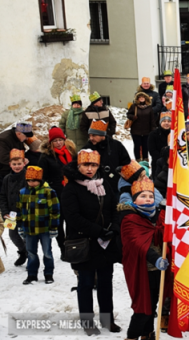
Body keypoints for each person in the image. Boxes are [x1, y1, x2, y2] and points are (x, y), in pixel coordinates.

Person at [63, 149, 121, 335]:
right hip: (84, 242)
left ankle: (107, 319)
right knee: (86, 283)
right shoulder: (71, 188)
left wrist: (114, 227)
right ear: (78, 165)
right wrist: (98, 231)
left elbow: (115, 207)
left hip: (105, 243)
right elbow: (72, 217)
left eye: (93, 165)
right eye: (85, 165)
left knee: (105, 282)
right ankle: (87, 322)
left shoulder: (105, 184)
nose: (89, 169)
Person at [119, 177, 167, 340]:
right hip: (142, 270)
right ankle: (132, 337)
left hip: (158, 270)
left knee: (152, 305)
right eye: (143, 196)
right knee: (142, 308)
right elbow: (136, 243)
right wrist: (156, 259)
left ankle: (148, 334)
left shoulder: (158, 216)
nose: (148, 199)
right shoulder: (129, 218)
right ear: (134, 199)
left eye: (150, 196)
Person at [16, 166, 60, 284]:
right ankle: (31, 274)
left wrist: (54, 227)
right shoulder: (22, 192)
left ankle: (48, 274)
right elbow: (19, 210)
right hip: (29, 229)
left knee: (47, 252)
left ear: (40, 180)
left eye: (34, 180)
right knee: (31, 252)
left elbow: (55, 211)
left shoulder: (49, 192)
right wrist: (20, 226)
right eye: (29, 180)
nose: (31, 183)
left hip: (45, 228)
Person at [38, 126, 76, 259]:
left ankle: (73, 247)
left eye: (60, 139)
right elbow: (42, 177)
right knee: (59, 223)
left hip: (72, 191)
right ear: (50, 143)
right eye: (55, 141)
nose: (59, 143)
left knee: (72, 221)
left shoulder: (71, 152)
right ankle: (63, 249)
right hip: (56, 193)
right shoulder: (46, 157)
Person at [83, 120, 132, 196]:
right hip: (95, 188)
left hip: (115, 186)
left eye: (94, 135)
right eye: (89, 135)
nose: (91, 138)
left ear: (102, 135)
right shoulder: (87, 149)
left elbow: (127, 163)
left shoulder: (116, 145)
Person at [0, 149, 28, 266]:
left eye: (19, 164)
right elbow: (2, 196)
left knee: (27, 234)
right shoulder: (7, 179)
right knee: (12, 234)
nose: (17, 166)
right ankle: (23, 252)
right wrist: (5, 212)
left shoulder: (28, 176)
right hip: (11, 213)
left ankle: (31, 257)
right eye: (14, 164)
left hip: (25, 212)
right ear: (10, 165)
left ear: (24, 163)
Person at [127, 92, 157, 161]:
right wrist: (132, 117)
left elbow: (152, 119)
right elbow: (128, 114)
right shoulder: (134, 106)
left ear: (145, 99)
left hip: (147, 130)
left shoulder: (149, 108)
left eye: (143, 97)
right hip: (136, 130)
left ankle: (145, 159)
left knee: (145, 146)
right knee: (137, 146)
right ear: (137, 99)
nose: (141, 99)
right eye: (140, 98)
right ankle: (138, 159)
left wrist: (153, 129)